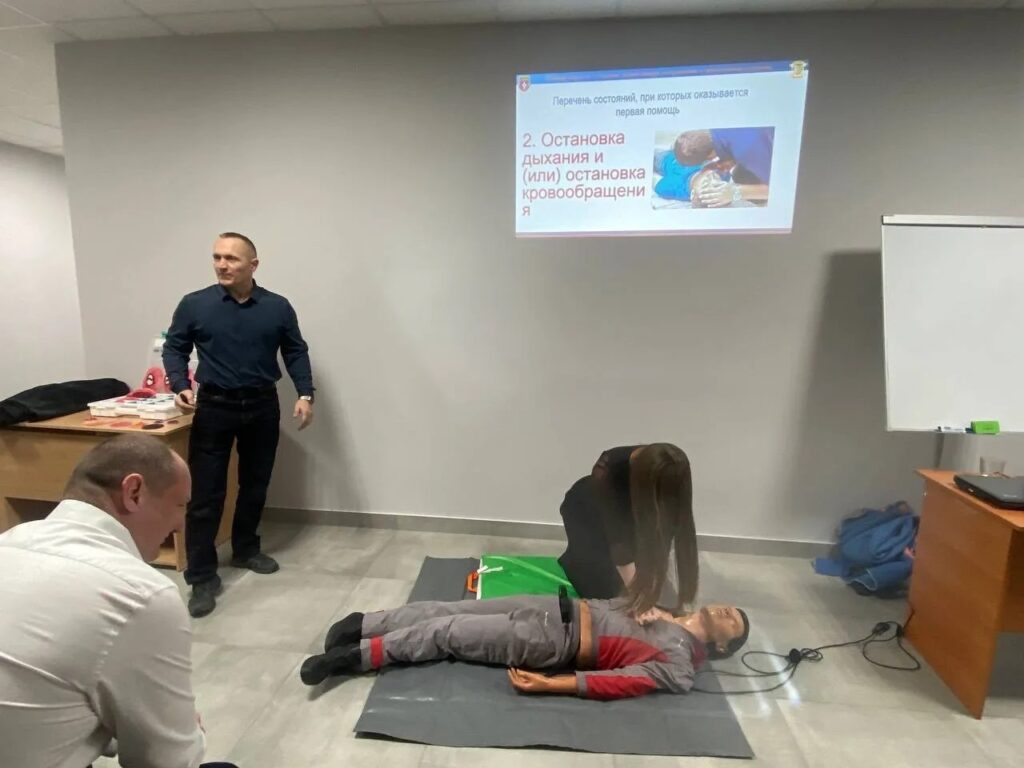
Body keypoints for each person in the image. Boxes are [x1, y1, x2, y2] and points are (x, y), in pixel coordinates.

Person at [0, 435, 235, 768]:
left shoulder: (8, 542)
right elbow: (167, 762)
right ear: (133, 492)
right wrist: (187, 733)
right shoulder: (139, 595)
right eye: (180, 505)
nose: (180, 525)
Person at [163, 232, 316, 618]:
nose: (222, 264)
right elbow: (174, 347)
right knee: (206, 494)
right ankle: (201, 576)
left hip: (262, 405)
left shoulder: (277, 307)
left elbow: (295, 350)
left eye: (231, 258)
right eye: (217, 257)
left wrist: (305, 393)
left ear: (253, 265)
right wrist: (180, 384)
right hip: (215, 406)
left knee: (255, 484)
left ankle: (246, 549)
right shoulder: (195, 304)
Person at [300, 596, 749, 700]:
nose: (729, 610)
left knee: (449, 631)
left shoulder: (680, 665)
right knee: (455, 607)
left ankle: (356, 657)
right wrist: (645, 607)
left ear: (724, 644)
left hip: (559, 641)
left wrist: (553, 684)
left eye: (734, 620)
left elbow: (620, 682)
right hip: (560, 605)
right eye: (732, 607)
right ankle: (364, 624)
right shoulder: (662, 604)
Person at [557, 444, 697, 621]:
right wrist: (638, 600)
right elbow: (620, 546)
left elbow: (669, 529)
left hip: (629, 508)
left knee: (661, 599)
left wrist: (654, 582)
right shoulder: (608, 469)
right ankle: (575, 562)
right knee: (615, 601)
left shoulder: (671, 464)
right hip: (587, 512)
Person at [672, 128, 774, 207]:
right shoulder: (721, 127)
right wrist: (731, 160)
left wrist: (735, 192)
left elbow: (777, 190)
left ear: (710, 156)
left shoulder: (746, 151)